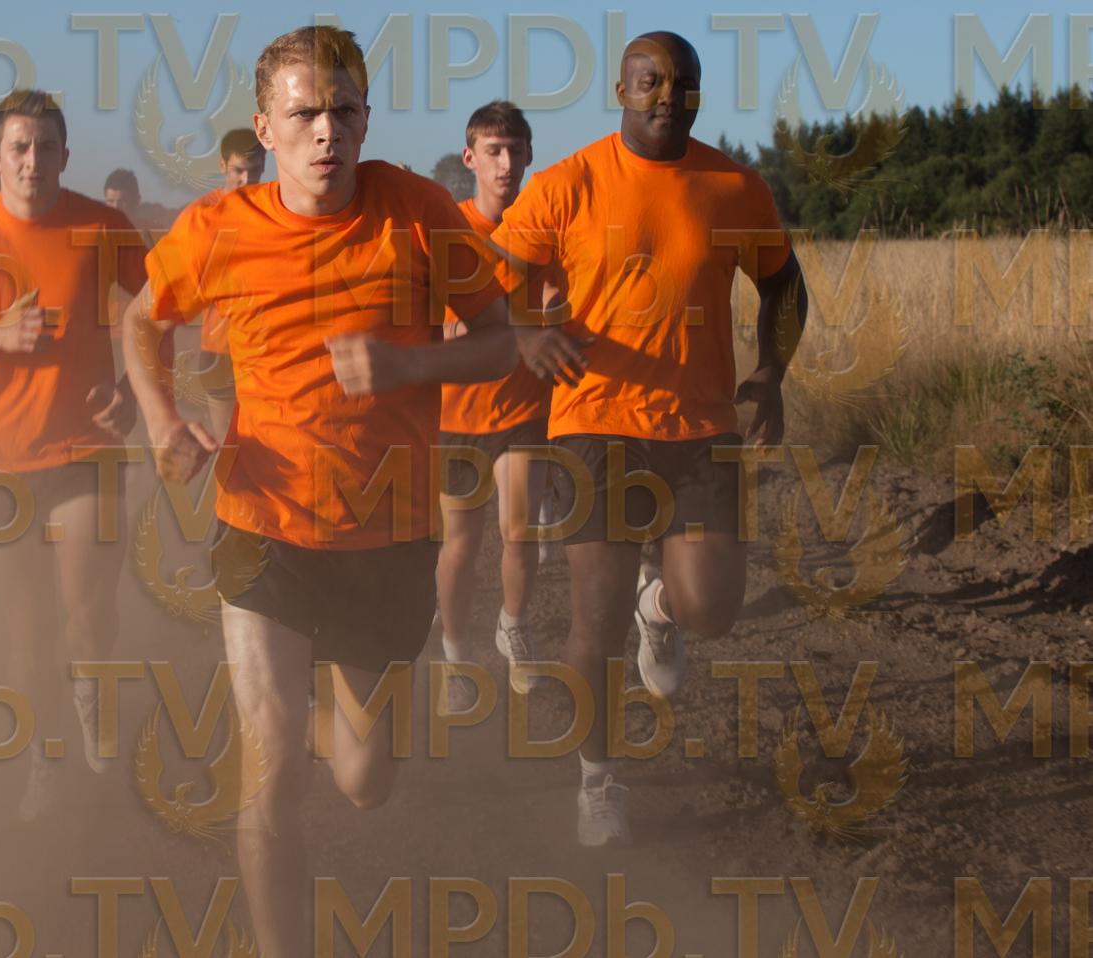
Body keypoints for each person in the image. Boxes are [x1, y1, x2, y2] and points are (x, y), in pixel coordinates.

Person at [122, 27, 514, 956]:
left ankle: (317, 710)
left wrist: (406, 365)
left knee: (365, 781)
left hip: (390, 536)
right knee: (270, 781)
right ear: (266, 128)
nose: (326, 131)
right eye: (303, 114)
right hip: (262, 528)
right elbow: (142, 320)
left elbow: (503, 341)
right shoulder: (218, 230)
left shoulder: (417, 210)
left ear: (367, 118)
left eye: (342, 111)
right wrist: (162, 420)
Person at [489, 31, 807, 846]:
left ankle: (657, 606)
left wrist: (772, 372)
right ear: (622, 90)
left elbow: (784, 285)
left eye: (683, 83)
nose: (667, 95)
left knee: (714, 609)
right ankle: (599, 781)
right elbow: (491, 278)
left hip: (702, 427)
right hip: (593, 422)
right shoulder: (568, 184)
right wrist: (525, 332)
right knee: (591, 622)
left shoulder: (733, 186)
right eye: (650, 81)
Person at [0, 89, 143, 820]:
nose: (32, 161)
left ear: (65, 156)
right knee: (28, 635)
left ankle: (92, 692)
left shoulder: (103, 226)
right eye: (19, 147)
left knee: (89, 612)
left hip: (85, 450)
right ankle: (42, 758)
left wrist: (134, 395)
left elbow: (157, 314)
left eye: (46, 147)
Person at [432, 101, 560, 709]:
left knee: (520, 534)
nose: (506, 163)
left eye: (515, 150)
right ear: (470, 158)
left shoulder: (545, 231)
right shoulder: (447, 232)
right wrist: (470, 330)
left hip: (523, 408)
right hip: (455, 415)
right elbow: (426, 324)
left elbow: (560, 305)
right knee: (460, 544)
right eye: (493, 151)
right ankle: (456, 654)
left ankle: (513, 624)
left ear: (530, 155)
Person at [191, 128, 268, 443]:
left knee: (268, 446)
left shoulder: (276, 210)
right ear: (223, 166)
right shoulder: (202, 216)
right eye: (238, 171)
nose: (246, 180)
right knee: (230, 445)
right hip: (219, 348)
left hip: (267, 351)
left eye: (254, 171)